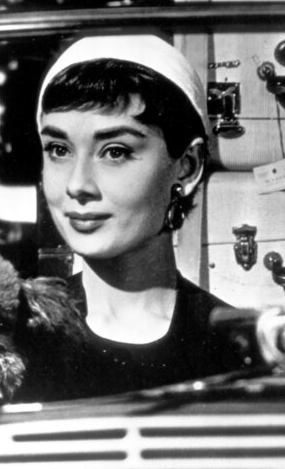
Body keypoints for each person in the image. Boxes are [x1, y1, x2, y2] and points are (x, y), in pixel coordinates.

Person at [36, 34, 245, 397]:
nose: (78, 184)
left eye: (115, 152)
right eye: (58, 149)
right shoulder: (14, 338)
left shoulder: (234, 350)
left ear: (187, 166)